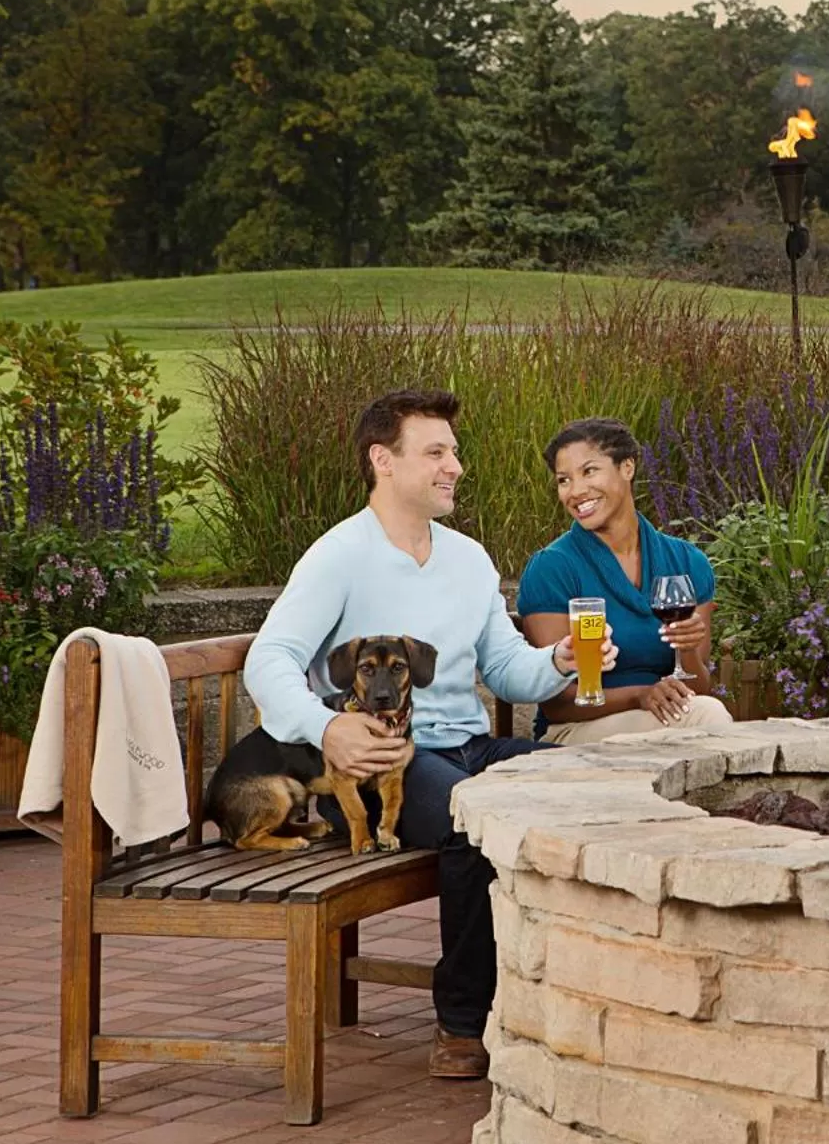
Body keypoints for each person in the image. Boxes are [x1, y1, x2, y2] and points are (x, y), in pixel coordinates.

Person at [242, 388, 612, 1080]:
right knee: (474, 819)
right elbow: (269, 661)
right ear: (384, 459)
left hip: (468, 744)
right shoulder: (339, 556)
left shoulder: (468, 557)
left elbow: (503, 667)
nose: (455, 466)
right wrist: (329, 726)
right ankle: (464, 1023)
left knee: (585, 786)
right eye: (436, 452)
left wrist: (557, 662)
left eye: (454, 451)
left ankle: (558, 996)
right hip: (381, 764)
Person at [516, 417, 736, 742]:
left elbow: (697, 687)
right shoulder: (553, 568)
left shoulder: (688, 563)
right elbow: (558, 703)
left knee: (704, 712)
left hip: (670, 719)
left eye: (589, 471)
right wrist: (641, 695)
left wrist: (687, 650)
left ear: (627, 467)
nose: (576, 491)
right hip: (576, 730)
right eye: (564, 480)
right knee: (707, 718)